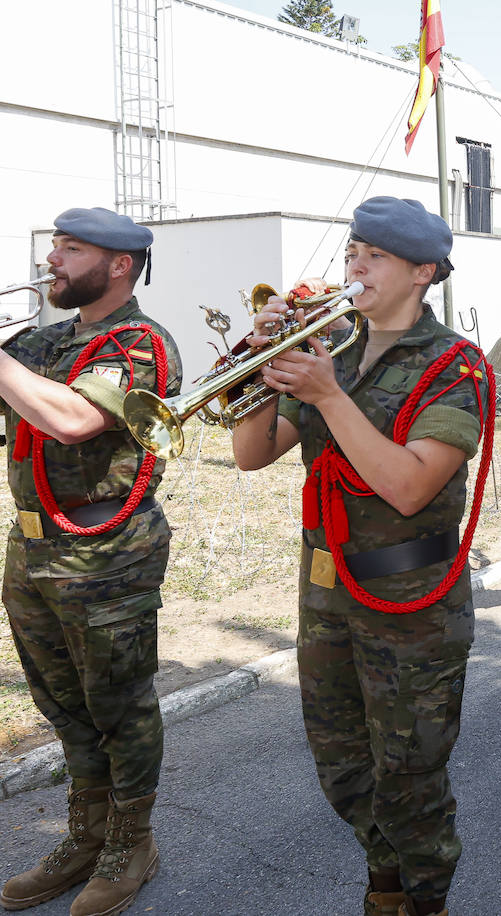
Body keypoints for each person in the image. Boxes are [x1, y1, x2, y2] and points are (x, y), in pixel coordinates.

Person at [232, 196, 488, 916]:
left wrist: (327, 394)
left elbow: (408, 486)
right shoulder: (331, 349)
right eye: (351, 252)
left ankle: (427, 897)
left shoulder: (454, 367)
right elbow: (252, 454)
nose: (354, 265)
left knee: (411, 773)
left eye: (374, 256)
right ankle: (384, 882)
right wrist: (261, 369)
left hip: (412, 604)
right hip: (327, 595)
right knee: (342, 764)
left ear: (423, 272)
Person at [1, 208, 181, 916]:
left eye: (71, 249)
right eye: (53, 245)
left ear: (118, 265)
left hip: (108, 553)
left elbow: (76, 419)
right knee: (64, 706)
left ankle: (132, 843)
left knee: (119, 706)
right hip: (33, 547)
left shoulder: (139, 343)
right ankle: (88, 835)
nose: (53, 259)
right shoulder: (41, 341)